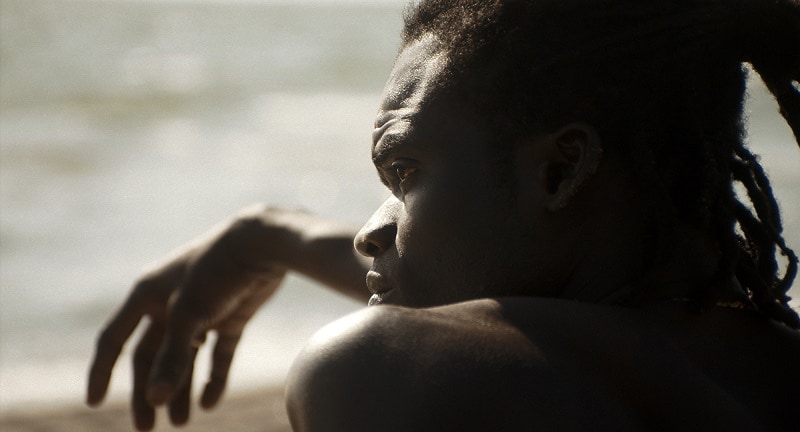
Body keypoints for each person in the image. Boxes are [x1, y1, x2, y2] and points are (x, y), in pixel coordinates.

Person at [87, 0, 800, 430]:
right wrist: (277, 236)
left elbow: (472, 329)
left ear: (560, 171)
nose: (368, 234)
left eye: (405, 173)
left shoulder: (386, 373)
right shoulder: (769, 361)